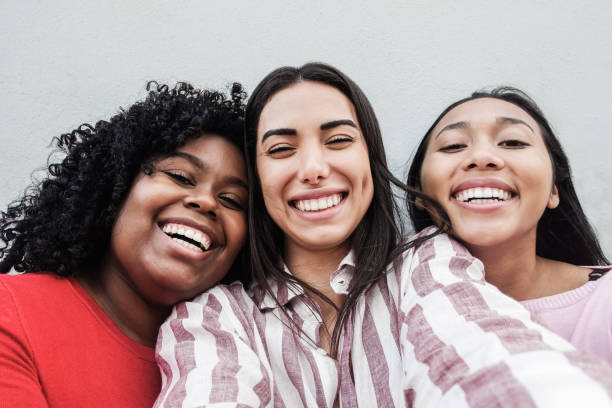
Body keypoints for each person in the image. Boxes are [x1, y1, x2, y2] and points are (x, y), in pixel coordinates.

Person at [155, 64, 612, 408]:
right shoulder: (212, 317)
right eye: (281, 149)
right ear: (256, 178)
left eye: (338, 141)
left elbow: (481, 349)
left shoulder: (428, 263)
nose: (314, 169)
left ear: (371, 165)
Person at [0, 82, 249, 407]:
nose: (205, 202)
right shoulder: (11, 313)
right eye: (180, 176)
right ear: (115, 188)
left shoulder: (245, 363)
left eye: (232, 200)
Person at [406, 86, 612, 363]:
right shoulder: (387, 317)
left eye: (513, 142)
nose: (481, 157)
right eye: (453, 145)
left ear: (553, 190)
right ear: (420, 194)